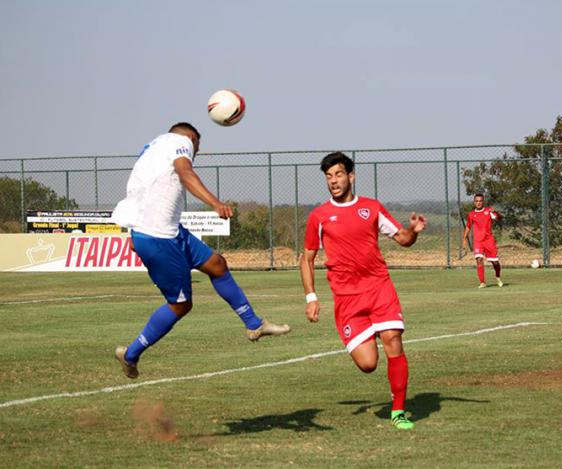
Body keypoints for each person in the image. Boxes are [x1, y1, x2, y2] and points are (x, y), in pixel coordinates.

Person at [110, 123, 290, 379]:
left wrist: (133, 231)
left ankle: (254, 324)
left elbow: (138, 192)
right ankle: (130, 354)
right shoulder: (180, 141)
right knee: (180, 305)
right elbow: (185, 173)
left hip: (168, 230)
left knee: (217, 264)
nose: (195, 153)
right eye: (197, 148)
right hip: (159, 237)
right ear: (192, 138)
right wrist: (215, 203)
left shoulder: (152, 148)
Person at [300, 152, 427, 430]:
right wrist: (311, 297)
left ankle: (398, 411)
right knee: (368, 363)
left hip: (379, 286)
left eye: (338, 174)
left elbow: (403, 239)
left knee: (393, 338)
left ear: (351, 176)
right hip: (347, 298)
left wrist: (413, 230)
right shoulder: (319, 216)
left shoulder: (372, 207)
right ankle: (391, 396)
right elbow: (306, 258)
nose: (333, 181)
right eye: (329, 176)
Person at [462, 194, 503, 288]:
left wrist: (495, 212)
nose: (478, 203)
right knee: (479, 259)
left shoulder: (488, 211)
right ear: (474, 202)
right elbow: (468, 226)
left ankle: (498, 277)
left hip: (489, 240)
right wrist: (464, 238)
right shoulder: (472, 214)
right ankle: (482, 282)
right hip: (478, 241)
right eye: (476, 201)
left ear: (483, 202)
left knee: (495, 262)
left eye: (480, 201)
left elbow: (499, 218)